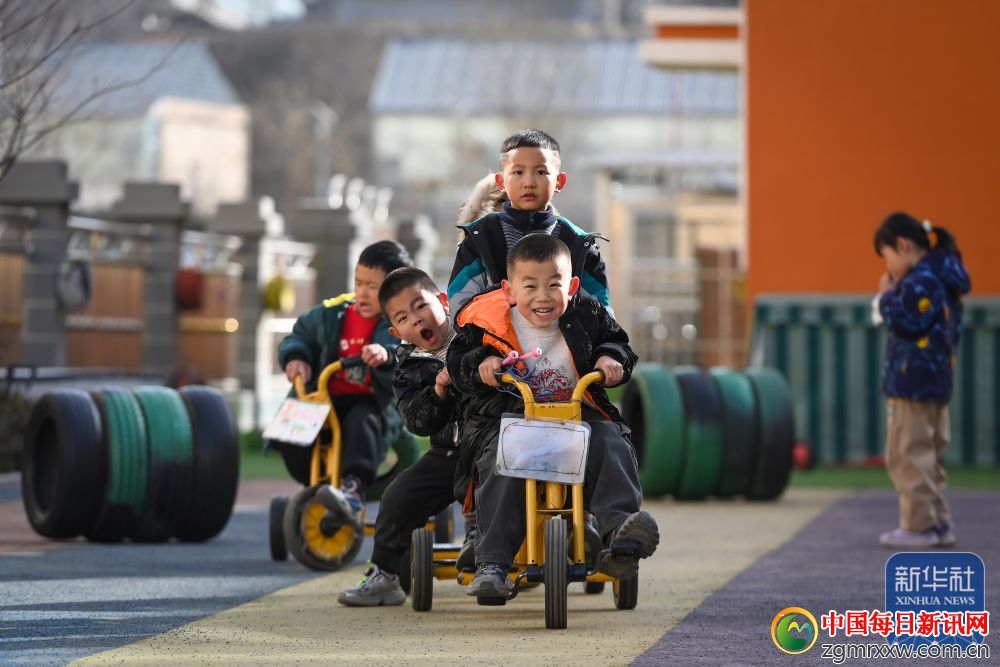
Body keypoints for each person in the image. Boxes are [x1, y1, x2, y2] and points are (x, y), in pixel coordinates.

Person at [447, 233, 658, 599]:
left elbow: (618, 342)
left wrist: (610, 358)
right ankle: (493, 562)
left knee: (610, 442)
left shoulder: (587, 314)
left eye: (554, 285)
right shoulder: (486, 325)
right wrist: (482, 363)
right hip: (513, 419)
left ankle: (620, 532)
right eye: (530, 286)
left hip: (577, 415)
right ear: (509, 290)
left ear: (571, 286)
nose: (542, 297)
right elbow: (457, 361)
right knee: (503, 461)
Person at [338, 267, 462, 606]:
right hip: (449, 450)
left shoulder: (472, 336)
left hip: (491, 445)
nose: (417, 319)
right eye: (404, 318)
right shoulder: (408, 366)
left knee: (492, 488)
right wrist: (438, 393)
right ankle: (385, 574)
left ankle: (495, 553)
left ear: (443, 301)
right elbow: (416, 421)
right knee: (397, 496)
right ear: (396, 331)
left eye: (421, 306)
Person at [272, 240, 413, 509]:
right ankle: (317, 484)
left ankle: (353, 487)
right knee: (291, 432)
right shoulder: (332, 314)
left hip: (369, 401)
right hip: (323, 398)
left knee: (363, 423)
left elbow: (407, 354)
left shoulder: (399, 323)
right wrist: (296, 358)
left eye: (373, 287)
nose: (363, 292)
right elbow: (300, 336)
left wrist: (386, 355)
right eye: (359, 283)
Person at [874, 212, 970, 549]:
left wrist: (887, 297)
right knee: (930, 457)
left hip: (912, 383)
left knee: (908, 455)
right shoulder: (943, 276)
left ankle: (919, 526)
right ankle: (938, 522)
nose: (887, 267)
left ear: (902, 245)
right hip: (936, 382)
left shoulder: (921, 281)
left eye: (886, 256)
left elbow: (907, 321)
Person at [447, 128, 611, 318]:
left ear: (559, 181)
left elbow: (602, 316)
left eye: (541, 172)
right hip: (493, 337)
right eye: (518, 172)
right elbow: (461, 308)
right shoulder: (480, 238)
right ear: (501, 181)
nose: (529, 182)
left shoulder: (580, 244)